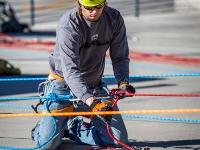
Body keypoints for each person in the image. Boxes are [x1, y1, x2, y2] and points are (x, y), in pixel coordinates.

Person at [32, 0, 135, 149]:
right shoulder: (68, 24)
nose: (93, 11)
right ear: (80, 4)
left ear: (105, 3)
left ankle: (73, 127)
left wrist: (123, 82)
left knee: (118, 140)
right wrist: (92, 102)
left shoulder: (114, 18)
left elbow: (120, 56)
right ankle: (41, 130)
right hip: (63, 86)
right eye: (89, 8)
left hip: (94, 85)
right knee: (47, 145)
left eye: (98, 7)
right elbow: (70, 70)